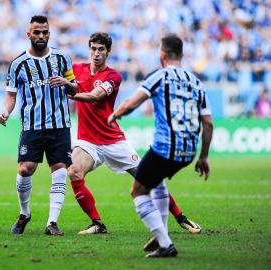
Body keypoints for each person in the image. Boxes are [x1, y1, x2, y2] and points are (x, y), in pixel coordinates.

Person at [68, 32, 202, 236]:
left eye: (101, 49)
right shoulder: (76, 69)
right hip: (87, 141)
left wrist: (68, 90)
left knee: (150, 179)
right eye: (93, 49)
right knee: (74, 171)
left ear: (108, 52)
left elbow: (95, 97)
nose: (96, 53)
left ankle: (181, 217)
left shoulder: (113, 76)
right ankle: (97, 223)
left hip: (113, 140)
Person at [107, 33, 213, 258]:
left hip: (166, 148)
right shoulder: (196, 82)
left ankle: (165, 243)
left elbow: (132, 103)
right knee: (157, 183)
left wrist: (115, 114)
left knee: (137, 190)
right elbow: (208, 123)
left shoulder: (160, 76)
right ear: (182, 55)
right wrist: (203, 157)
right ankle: (161, 236)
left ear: (162, 55)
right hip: (188, 152)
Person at [0, 15, 77, 236]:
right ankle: (25, 213)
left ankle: (52, 223)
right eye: (37, 32)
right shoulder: (18, 64)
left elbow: (76, 90)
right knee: (25, 169)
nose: (41, 36)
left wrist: (66, 83)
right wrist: (5, 112)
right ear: (29, 34)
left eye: (45, 32)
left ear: (49, 34)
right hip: (32, 126)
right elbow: (11, 96)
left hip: (60, 125)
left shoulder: (62, 59)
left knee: (60, 170)